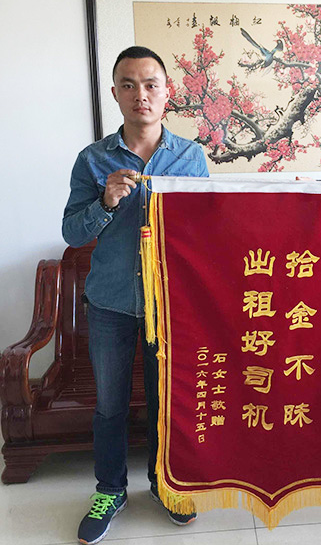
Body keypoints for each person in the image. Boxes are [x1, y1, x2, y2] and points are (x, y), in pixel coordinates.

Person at [62, 46, 209, 545]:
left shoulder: (191, 157)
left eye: (150, 85)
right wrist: (105, 202)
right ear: (115, 93)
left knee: (169, 400)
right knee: (110, 405)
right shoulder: (93, 159)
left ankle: (165, 484)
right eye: (128, 85)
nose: (140, 94)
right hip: (110, 304)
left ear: (167, 93)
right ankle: (110, 490)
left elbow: (207, 233)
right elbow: (72, 232)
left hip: (171, 305)